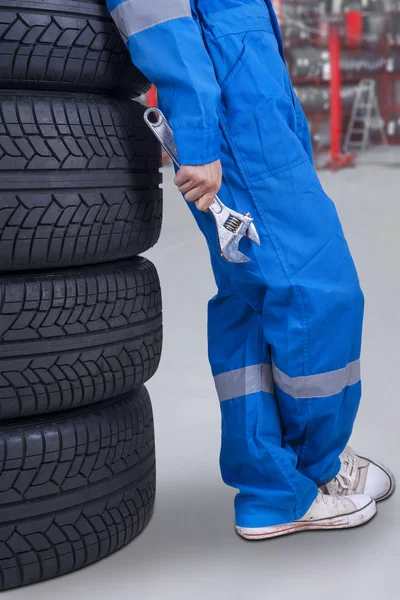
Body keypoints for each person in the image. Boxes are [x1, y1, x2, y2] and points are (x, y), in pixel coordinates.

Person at [107, 0, 395, 539]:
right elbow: (159, 19)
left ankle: (271, 485)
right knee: (319, 291)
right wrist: (196, 137)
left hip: (257, 120)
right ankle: (317, 471)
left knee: (250, 301)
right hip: (235, 130)